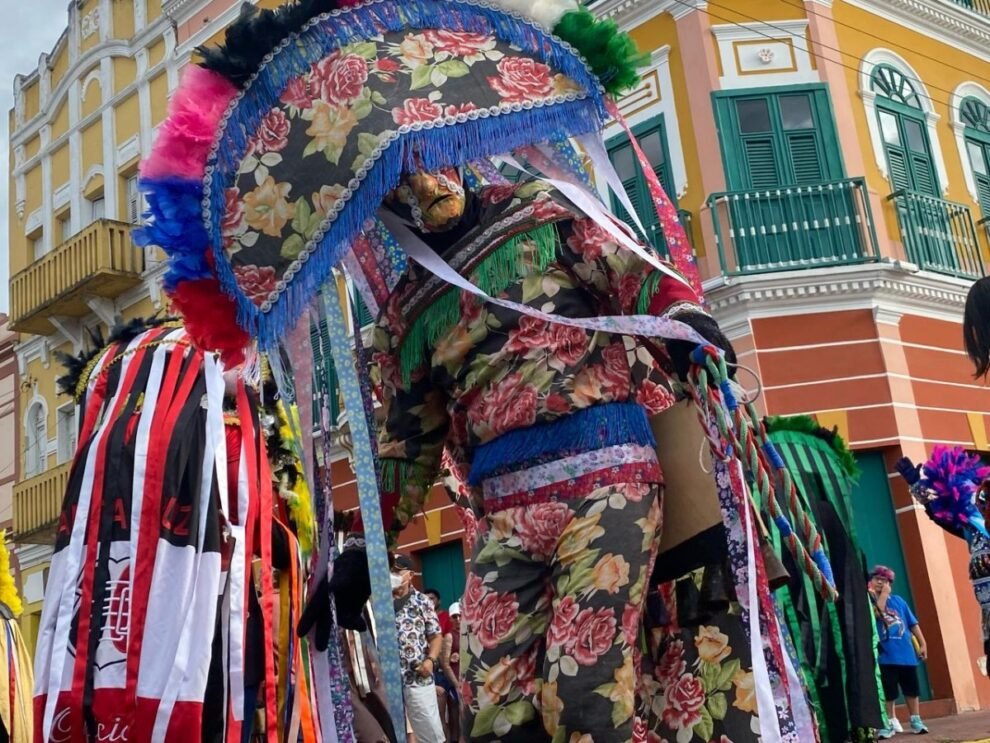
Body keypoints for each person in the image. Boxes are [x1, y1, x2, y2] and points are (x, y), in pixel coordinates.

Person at [869, 565, 929, 737]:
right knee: (889, 692)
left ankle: (916, 719)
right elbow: (877, 614)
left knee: (912, 689)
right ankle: (888, 721)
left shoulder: (899, 602)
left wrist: (923, 643)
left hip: (906, 655)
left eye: (885, 580)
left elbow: (912, 624)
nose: (880, 582)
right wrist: (883, 595)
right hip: (886, 657)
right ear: (870, 581)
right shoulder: (870, 601)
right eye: (877, 579)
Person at [392, 554, 445, 743]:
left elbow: (436, 635)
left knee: (430, 732)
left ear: (410, 574)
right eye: (390, 570)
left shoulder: (422, 601)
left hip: (416, 676)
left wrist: (430, 661)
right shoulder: (379, 602)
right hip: (387, 680)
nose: (393, 575)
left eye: (397, 571)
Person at [438, 602, 461, 742]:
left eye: (460, 616)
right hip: (453, 681)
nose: (458, 619)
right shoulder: (450, 636)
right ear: (450, 619)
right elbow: (445, 664)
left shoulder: (469, 634)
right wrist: (456, 684)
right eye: (455, 616)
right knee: (454, 716)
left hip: (466, 679)